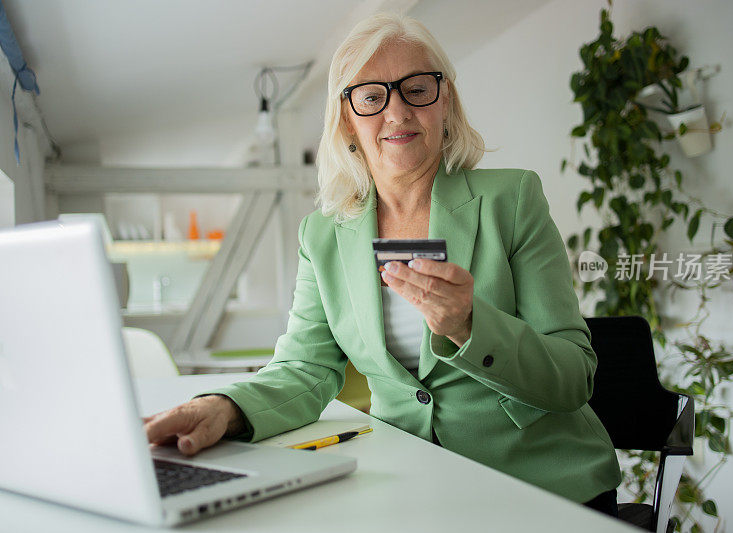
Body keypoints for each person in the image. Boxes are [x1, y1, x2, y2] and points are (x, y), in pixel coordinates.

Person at [144, 12, 622, 517]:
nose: (397, 113)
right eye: (372, 97)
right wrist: (226, 408)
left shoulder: (513, 199)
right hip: (411, 485)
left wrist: (470, 325)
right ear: (347, 119)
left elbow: (574, 377)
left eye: (417, 89)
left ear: (446, 104)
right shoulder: (322, 235)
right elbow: (306, 368)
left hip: (542, 485)